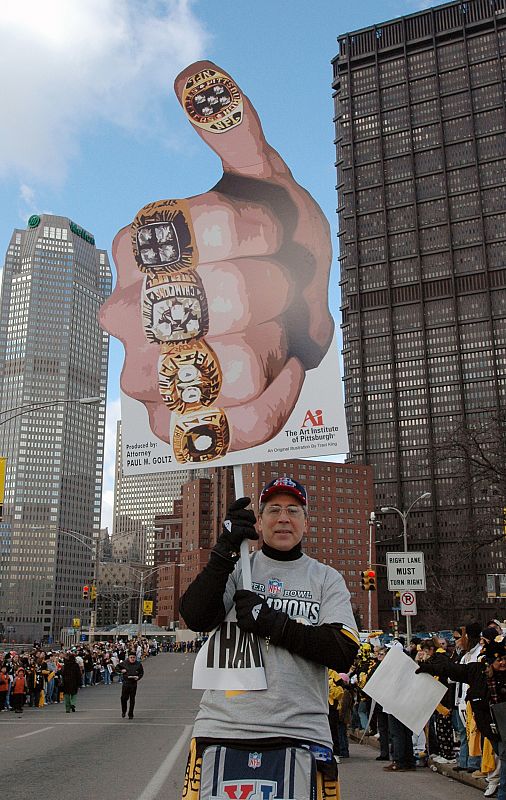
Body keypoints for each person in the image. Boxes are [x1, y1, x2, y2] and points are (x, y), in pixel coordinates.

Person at [179, 476, 359, 800]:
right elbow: (195, 617)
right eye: (273, 510)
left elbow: (342, 650)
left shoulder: (326, 579)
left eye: (293, 510)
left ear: (306, 521)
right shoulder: (238, 570)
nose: (283, 518)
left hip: (301, 734)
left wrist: (273, 623)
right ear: (258, 522)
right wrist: (224, 550)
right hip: (223, 730)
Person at [417, 637, 506, 800]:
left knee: (504, 756)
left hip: (504, 724)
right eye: (499, 659)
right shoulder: (476, 671)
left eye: (505, 659)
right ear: (490, 660)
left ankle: (502, 794)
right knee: (501, 755)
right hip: (489, 725)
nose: (503, 663)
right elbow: (450, 669)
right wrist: (427, 667)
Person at [118, 651, 144, 719]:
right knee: (123, 698)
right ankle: (124, 711)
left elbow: (141, 672)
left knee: (132, 699)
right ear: (128, 657)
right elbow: (116, 668)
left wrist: (138, 677)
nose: (132, 659)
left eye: (133, 657)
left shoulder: (138, 664)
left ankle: (131, 713)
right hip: (126, 683)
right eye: (131, 657)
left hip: (133, 683)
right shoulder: (124, 663)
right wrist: (121, 671)